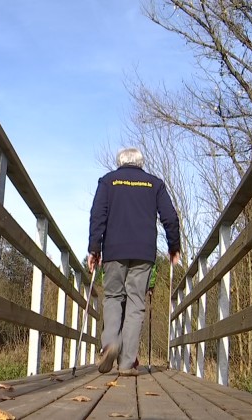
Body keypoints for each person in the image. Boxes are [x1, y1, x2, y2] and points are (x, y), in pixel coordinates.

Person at [87, 147, 180, 376]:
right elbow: (170, 217)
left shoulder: (108, 181)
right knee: (136, 304)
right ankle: (127, 363)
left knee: (112, 297)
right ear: (141, 162)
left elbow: (98, 215)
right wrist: (173, 246)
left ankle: (110, 343)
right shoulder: (154, 184)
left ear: (120, 162)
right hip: (143, 251)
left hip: (114, 251)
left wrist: (94, 249)